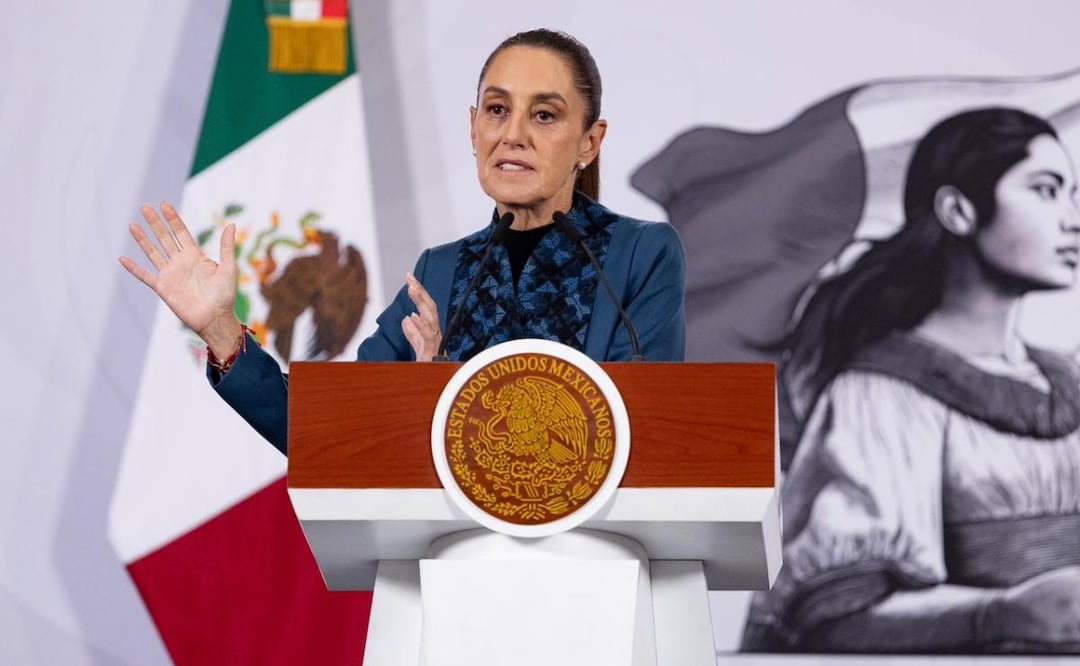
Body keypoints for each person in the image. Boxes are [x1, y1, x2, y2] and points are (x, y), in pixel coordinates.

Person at [120, 28, 687, 456]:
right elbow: (326, 430)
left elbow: (638, 438)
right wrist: (219, 328)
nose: (512, 134)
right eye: (497, 110)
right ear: (473, 128)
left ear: (590, 142)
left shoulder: (639, 255)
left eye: (544, 115)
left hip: (587, 585)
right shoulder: (440, 272)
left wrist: (440, 392)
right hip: (448, 587)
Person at [741, 108, 1080, 653]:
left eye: (1073, 194)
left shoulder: (1069, 376)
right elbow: (829, 615)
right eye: (1046, 191)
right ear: (958, 210)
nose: (1072, 219)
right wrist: (1003, 615)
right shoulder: (880, 396)